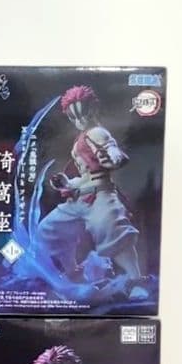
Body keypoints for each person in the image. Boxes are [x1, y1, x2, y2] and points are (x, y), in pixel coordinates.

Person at [35, 86, 146, 298]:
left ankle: (135, 281)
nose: (80, 120)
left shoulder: (97, 132)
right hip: (81, 198)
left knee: (115, 234)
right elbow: (86, 176)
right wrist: (68, 183)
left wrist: (114, 156)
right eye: (74, 117)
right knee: (50, 229)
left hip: (101, 196)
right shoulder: (80, 139)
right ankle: (73, 274)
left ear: (92, 110)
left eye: (83, 114)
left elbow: (111, 149)